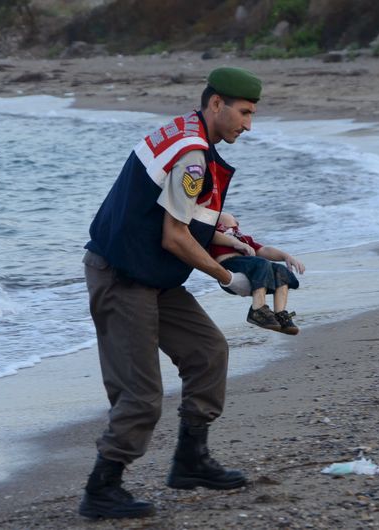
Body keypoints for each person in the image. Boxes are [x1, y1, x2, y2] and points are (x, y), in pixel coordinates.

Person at [79, 67, 262, 520]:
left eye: (253, 114)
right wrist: (226, 277)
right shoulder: (194, 156)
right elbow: (175, 237)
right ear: (216, 103)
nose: (249, 124)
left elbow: (183, 214)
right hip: (122, 277)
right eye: (243, 112)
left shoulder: (188, 134)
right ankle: (102, 488)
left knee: (208, 350)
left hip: (153, 275)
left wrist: (227, 233)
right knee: (140, 395)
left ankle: (189, 461)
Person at [209, 212, 304, 335]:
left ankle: (280, 314)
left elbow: (264, 250)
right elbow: (210, 234)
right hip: (229, 266)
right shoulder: (215, 235)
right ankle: (257, 309)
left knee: (280, 270)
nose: (236, 223)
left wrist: (286, 256)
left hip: (251, 269)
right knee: (261, 263)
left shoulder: (244, 239)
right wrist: (234, 242)